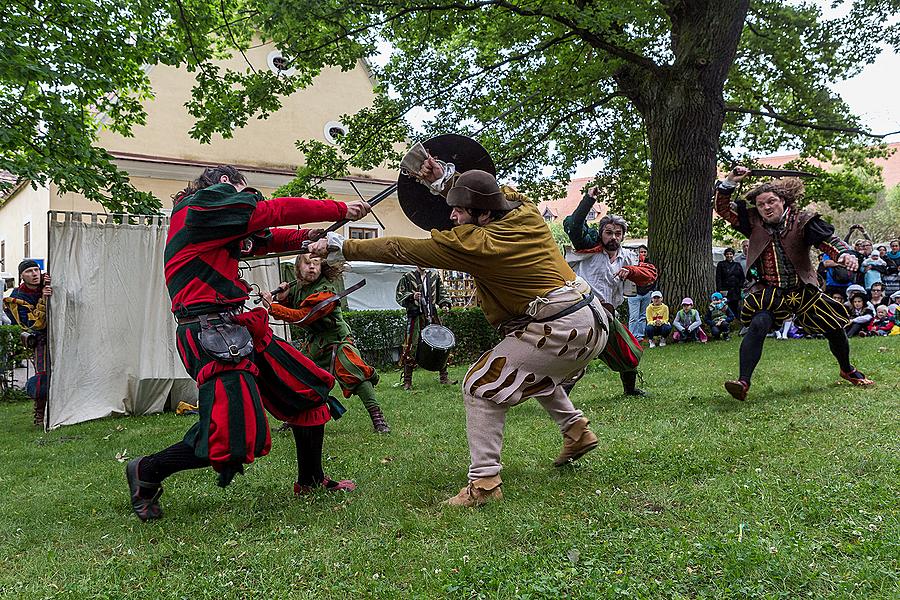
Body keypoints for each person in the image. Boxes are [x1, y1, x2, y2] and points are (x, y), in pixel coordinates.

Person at [309, 163, 612, 507]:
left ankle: (484, 484)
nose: (451, 216)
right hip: (591, 318)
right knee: (532, 373)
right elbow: (495, 192)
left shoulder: (477, 243)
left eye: (459, 210)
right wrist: (439, 179)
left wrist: (342, 247)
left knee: (480, 385)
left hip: (560, 325)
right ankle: (577, 432)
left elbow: (401, 249)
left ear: (482, 215)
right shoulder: (524, 210)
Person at [125, 165, 371, 522]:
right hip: (210, 336)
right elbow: (270, 212)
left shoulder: (214, 222)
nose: (246, 198)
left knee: (306, 388)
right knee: (231, 433)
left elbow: (260, 239)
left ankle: (312, 479)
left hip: (238, 325)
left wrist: (308, 238)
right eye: (244, 191)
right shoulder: (200, 207)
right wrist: (338, 210)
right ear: (226, 183)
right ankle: (146, 471)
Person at [714, 166, 873, 401]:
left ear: (783, 201)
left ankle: (847, 369)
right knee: (758, 323)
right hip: (770, 291)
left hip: (803, 289)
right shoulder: (752, 222)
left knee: (834, 328)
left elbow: (829, 241)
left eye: (771, 202)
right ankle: (743, 382)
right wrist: (730, 181)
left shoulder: (803, 221)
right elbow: (723, 209)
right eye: (761, 204)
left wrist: (845, 255)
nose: (767, 208)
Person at [262, 254, 389, 433]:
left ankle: (378, 419)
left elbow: (304, 316)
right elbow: (295, 307)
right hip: (316, 342)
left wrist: (272, 306)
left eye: (316, 263)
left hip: (337, 339)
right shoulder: (298, 287)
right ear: (298, 267)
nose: (312, 267)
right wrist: (283, 298)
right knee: (298, 378)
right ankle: (294, 419)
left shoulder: (326, 290)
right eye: (307, 263)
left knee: (354, 373)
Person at [563, 187, 657, 395]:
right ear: (601, 233)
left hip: (608, 314)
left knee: (628, 351)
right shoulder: (587, 249)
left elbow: (650, 274)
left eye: (617, 233)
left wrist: (630, 271)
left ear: (623, 236)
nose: (613, 237)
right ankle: (561, 400)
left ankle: (630, 390)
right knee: (579, 356)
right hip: (582, 312)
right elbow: (574, 225)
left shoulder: (630, 257)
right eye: (608, 232)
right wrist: (589, 200)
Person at [3, 260, 52, 425]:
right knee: (43, 376)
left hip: (62, 336)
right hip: (40, 340)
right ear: (22, 275)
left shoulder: (49, 281)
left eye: (36, 270)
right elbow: (33, 324)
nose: (34, 274)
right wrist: (44, 299)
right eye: (29, 271)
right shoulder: (16, 298)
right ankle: (39, 416)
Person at [395, 266, 453, 389]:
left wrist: (444, 304)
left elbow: (441, 292)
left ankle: (444, 377)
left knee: (442, 344)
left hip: (432, 316)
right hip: (415, 318)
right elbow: (400, 294)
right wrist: (411, 296)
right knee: (410, 345)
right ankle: (407, 381)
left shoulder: (434, 276)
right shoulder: (407, 277)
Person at [626, 245, 654, 343]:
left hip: (646, 293)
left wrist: (650, 290)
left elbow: (653, 278)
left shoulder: (650, 265)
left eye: (644, 252)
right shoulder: (632, 264)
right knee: (634, 316)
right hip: (634, 294)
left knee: (642, 316)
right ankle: (632, 336)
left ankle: (640, 336)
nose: (642, 254)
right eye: (640, 252)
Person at [716, 248, 745, 317]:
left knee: (735, 305)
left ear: (733, 255)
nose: (729, 256)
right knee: (725, 305)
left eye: (730, 254)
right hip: (725, 289)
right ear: (725, 255)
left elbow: (742, 277)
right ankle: (727, 319)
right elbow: (718, 278)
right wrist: (720, 289)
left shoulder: (737, 265)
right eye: (727, 254)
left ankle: (735, 319)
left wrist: (740, 286)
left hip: (736, 290)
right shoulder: (721, 264)